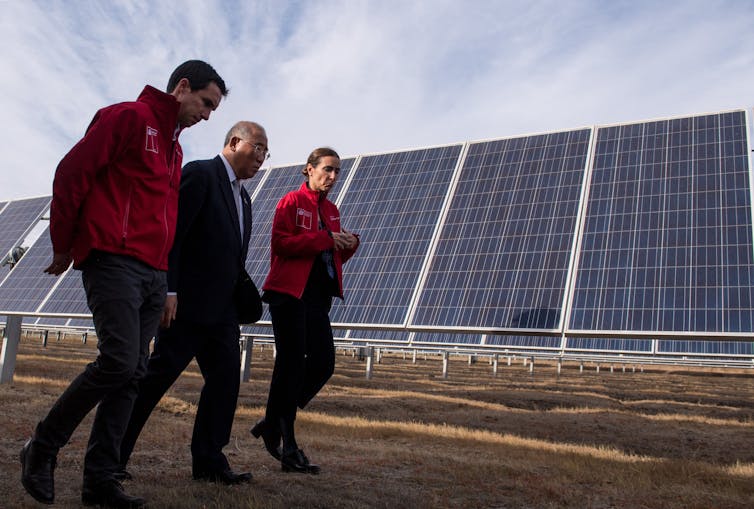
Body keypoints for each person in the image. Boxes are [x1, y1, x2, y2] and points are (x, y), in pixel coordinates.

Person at [20, 60, 227, 508]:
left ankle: (100, 480)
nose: (208, 115)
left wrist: (166, 282)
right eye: (206, 103)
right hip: (113, 259)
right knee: (116, 362)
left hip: (153, 274)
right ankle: (42, 446)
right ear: (183, 87)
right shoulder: (129, 117)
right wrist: (63, 243)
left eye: (214, 109)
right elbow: (72, 173)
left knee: (132, 375)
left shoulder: (175, 151)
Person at [118, 121, 268, 485]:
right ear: (235, 142)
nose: (263, 158)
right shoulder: (200, 174)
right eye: (259, 147)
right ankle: (113, 455)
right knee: (155, 380)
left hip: (223, 312)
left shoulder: (244, 198)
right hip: (186, 307)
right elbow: (175, 235)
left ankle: (209, 462)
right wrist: (169, 291)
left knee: (225, 384)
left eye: (267, 152)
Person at [251, 147, 359, 474]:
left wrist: (348, 245)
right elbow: (283, 244)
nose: (333, 176)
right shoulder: (291, 202)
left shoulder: (333, 210)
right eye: (327, 169)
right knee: (292, 366)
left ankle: (272, 422)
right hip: (288, 295)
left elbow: (328, 257)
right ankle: (289, 447)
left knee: (323, 363)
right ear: (309, 170)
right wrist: (325, 239)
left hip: (316, 300)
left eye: (337, 171)